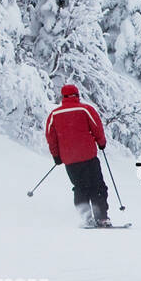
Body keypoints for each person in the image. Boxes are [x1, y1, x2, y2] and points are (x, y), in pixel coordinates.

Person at [44, 83, 111, 227]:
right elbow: (97, 127)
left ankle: (86, 217)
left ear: (63, 97)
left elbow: (51, 137)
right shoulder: (85, 109)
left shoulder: (54, 115)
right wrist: (101, 143)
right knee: (97, 186)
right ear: (77, 95)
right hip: (88, 156)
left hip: (70, 159)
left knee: (80, 187)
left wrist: (56, 156)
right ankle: (102, 218)